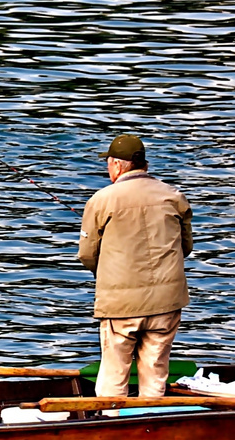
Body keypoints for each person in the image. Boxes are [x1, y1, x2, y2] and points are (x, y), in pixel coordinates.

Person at [76, 133, 193, 398]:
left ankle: (110, 423)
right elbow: (185, 247)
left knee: (115, 372)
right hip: (167, 301)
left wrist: (106, 275)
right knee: (154, 369)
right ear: (144, 165)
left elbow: (86, 254)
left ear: (117, 165)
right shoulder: (174, 196)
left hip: (120, 305)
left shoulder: (101, 199)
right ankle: (150, 424)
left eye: (108, 163)